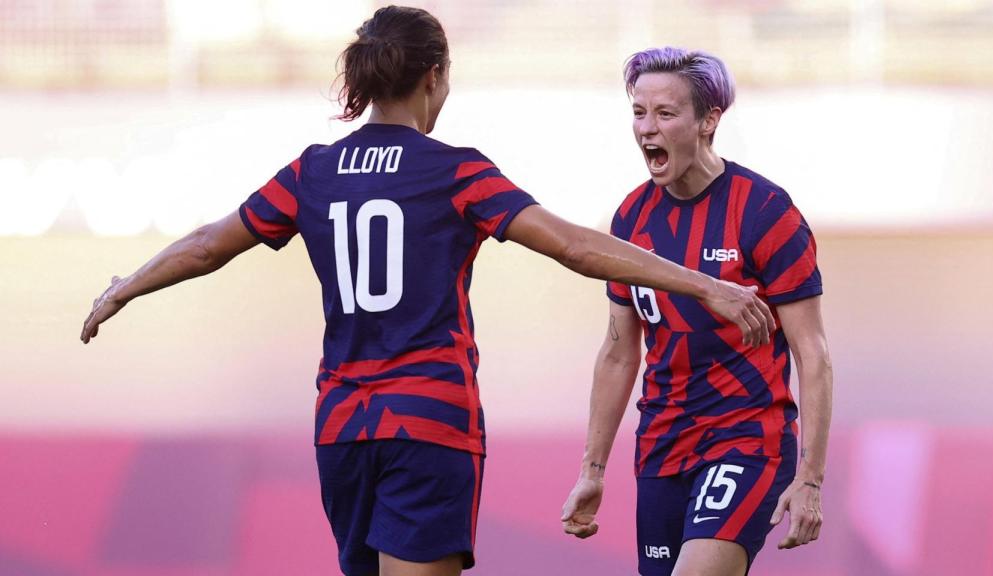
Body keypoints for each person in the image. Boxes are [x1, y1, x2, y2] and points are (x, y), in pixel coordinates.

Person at [80, 10, 774, 576]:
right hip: (427, 425)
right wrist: (705, 284)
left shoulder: (312, 171)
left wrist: (126, 286)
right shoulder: (455, 172)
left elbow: (208, 245)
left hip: (342, 431)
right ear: (434, 77)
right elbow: (574, 246)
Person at [560, 47, 834, 576]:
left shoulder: (765, 211)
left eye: (665, 113)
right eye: (639, 112)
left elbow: (812, 352)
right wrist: (593, 469)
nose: (647, 128)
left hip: (746, 438)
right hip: (661, 446)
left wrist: (811, 478)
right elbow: (619, 353)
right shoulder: (631, 218)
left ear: (709, 121)